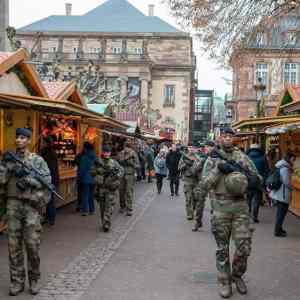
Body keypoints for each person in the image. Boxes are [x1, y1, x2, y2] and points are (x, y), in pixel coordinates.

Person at [195, 128, 261, 298]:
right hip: (220, 207)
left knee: (244, 247)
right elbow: (203, 186)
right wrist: (218, 170)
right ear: (220, 138)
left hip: (240, 207)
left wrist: (249, 179)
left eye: (230, 136)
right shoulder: (212, 159)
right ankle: (224, 280)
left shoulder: (243, 157)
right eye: (224, 136)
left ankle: (237, 275)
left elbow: (257, 178)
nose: (227, 139)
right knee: (222, 248)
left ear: (235, 139)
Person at [0, 128, 51, 296]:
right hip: (13, 205)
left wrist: (29, 181)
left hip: (31, 208)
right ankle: (17, 281)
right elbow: (1, 182)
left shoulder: (37, 161)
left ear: (29, 140)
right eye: (17, 137)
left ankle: (34, 279)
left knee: (32, 245)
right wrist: (6, 167)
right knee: (13, 246)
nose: (19, 140)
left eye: (23, 138)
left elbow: (47, 184)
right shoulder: (8, 160)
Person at [92, 145, 124, 232]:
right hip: (101, 188)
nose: (106, 154)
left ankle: (106, 223)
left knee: (109, 207)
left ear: (110, 153)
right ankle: (104, 222)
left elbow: (121, 171)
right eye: (105, 152)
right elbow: (92, 172)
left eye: (108, 152)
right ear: (102, 152)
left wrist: (115, 176)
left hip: (110, 188)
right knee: (102, 207)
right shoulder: (98, 161)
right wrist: (99, 172)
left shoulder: (114, 162)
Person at [270, 152, 295, 237]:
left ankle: (279, 228)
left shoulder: (282, 166)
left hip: (280, 193)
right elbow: (286, 181)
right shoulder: (284, 168)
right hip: (283, 194)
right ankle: (277, 231)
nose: (294, 161)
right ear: (289, 158)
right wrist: (292, 187)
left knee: (281, 213)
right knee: (281, 213)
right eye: (293, 159)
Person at [246, 144, 270, 223]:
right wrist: (265, 181)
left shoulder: (246, 157)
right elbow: (266, 171)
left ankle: (247, 216)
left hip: (248, 181)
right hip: (259, 182)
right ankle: (255, 217)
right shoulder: (263, 158)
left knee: (248, 199)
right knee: (257, 200)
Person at [41, 136, 60, 226]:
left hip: (49, 179)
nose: (41, 143)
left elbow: (50, 168)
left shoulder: (48, 154)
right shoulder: (51, 153)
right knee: (49, 200)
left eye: (43, 142)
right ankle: (49, 218)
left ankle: (50, 218)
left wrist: (48, 179)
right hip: (52, 179)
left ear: (46, 143)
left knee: (50, 200)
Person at [118, 141, 140, 216]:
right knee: (121, 191)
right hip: (122, 174)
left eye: (128, 147)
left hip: (130, 175)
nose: (126, 149)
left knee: (129, 192)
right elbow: (119, 161)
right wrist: (126, 158)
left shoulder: (134, 153)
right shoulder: (121, 153)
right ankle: (122, 206)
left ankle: (129, 209)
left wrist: (132, 163)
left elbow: (138, 165)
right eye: (125, 147)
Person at [179, 149, 200, 221]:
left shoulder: (198, 157)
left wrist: (195, 164)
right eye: (190, 147)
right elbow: (179, 168)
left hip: (196, 181)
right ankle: (189, 214)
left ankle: (193, 209)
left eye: (193, 147)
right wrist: (186, 164)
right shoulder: (184, 157)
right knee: (188, 198)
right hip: (187, 180)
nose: (191, 149)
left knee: (195, 198)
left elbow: (201, 168)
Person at [78, 142, 96, 216]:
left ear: (85, 148)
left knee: (85, 194)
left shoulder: (84, 157)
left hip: (85, 178)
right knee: (91, 194)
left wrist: (79, 177)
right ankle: (92, 210)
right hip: (93, 178)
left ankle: (85, 210)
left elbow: (82, 169)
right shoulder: (95, 157)